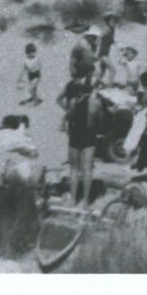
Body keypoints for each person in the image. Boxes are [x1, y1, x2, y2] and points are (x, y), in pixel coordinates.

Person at [60, 71, 97, 203]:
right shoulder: (95, 102)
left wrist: (64, 124)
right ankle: (86, 200)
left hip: (75, 134)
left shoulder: (73, 102)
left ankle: (73, 199)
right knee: (87, 168)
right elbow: (99, 121)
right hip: (89, 136)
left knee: (74, 168)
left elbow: (67, 117)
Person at [18, 41, 43, 106]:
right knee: (34, 89)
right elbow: (24, 69)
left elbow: (40, 67)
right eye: (31, 53)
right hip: (30, 76)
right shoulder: (26, 60)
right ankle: (35, 97)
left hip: (36, 75)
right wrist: (20, 77)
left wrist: (34, 69)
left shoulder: (36, 59)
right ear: (27, 53)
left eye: (34, 52)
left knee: (30, 89)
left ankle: (36, 101)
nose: (33, 54)